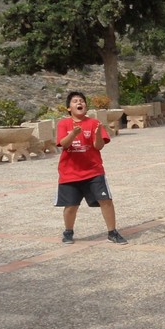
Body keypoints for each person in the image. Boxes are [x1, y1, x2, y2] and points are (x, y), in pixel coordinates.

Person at [56, 91, 127, 245]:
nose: (79, 103)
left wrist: (98, 136)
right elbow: (64, 144)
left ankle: (112, 232)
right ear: (69, 108)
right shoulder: (64, 124)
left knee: (106, 200)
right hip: (70, 173)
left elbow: (98, 146)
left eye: (81, 101)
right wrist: (73, 134)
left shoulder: (95, 123)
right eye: (75, 101)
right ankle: (68, 231)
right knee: (71, 206)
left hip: (93, 172)